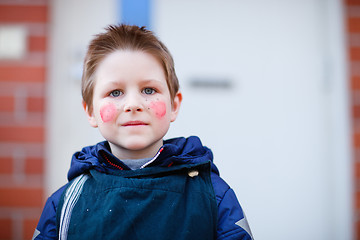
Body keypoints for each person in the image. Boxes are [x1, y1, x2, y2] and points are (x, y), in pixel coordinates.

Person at [33, 24, 253, 240]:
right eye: (115, 92)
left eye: (149, 90)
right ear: (90, 111)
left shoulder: (213, 196)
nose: (133, 104)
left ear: (174, 105)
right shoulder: (64, 205)